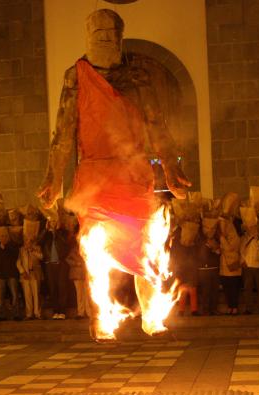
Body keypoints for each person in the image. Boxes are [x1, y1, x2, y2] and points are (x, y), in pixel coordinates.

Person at [38, 9, 190, 339]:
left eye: (112, 33)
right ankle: (102, 320)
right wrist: (53, 178)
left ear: (121, 37)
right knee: (96, 251)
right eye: (99, 33)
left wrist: (171, 166)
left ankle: (152, 316)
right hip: (94, 177)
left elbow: (156, 124)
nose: (106, 38)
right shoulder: (76, 77)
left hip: (133, 174)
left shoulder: (138, 75)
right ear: (88, 37)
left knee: (145, 248)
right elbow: (63, 132)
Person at [41, 219, 70, 319]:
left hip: (61, 263)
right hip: (50, 264)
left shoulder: (63, 233)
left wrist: (56, 232)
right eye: (51, 222)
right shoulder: (46, 234)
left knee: (62, 288)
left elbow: (66, 242)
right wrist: (45, 230)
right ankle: (56, 311)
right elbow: (39, 241)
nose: (53, 224)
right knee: (53, 288)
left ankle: (62, 312)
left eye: (54, 222)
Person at [240, 220, 259, 314]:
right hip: (248, 266)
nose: (252, 229)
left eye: (254, 227)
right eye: (250, 227)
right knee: (247, 289)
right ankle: (248, 308)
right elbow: (241, 250)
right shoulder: (244, 237)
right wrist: (243, 261)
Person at [0, 227, 21, 321]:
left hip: (12, 274)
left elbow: (15, 257)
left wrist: (6, 248)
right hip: (0, 275)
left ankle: (16, 314)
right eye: (1, 236)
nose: (3, 238)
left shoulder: (13, 245)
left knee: (14, 295)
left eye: (4, 236)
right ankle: (1, 314)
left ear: (8, 236)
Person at [197, 219, 221, 316]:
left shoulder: (215, 243)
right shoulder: (201, 244)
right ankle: (205, 310)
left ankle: (213, 309)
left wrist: (215, 250)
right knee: (206, 291)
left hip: (214, 269)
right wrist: (212, 249)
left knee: (214, 291)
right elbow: (203, 257)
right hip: (204, 270)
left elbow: (218, 254)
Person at [219, 217, 242, 315]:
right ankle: (230, 306)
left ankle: (234, 307)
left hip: (233, 268)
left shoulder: (235, 237)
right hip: (224, 268)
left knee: (234, 289)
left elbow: (229, 248)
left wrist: (221, 238)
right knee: (227, 289)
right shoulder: (223, 238)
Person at [17, 238, 43, 320]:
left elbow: (41, 257)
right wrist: (22, 272)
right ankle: (29, 314)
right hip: (25, 274)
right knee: (27, 295)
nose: (27, 244)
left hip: (35, 274)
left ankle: (37, 313)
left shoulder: (37, 248)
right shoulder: (21, 250)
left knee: (36, 294)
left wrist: (32, 251)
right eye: (26, 242)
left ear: (32, 243)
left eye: (29, 242)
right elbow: (18, 262)